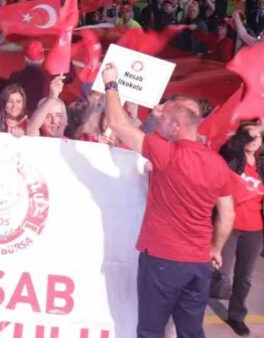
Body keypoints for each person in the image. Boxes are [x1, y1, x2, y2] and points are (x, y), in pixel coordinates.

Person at [100, 63, 236, 338]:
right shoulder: (217, 163)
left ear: (176, 125)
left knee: (151, 330)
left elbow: (117, 123)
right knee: (191, 331)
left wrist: (111, 83)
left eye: (164, 118)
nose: (159, 121)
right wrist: (215, 248)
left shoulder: (167, 154)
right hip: (198, 262)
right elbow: (228, 213)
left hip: (163, 260)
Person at [212, 120, 263, 336]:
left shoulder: (262, 164)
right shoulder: (232, 157)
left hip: (255, 229)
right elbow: (227, 149)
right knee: (219, 271)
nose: (254, 141)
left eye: (258, 137)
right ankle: (192, 305)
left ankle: (236, 316)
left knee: (245, 277)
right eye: (249, 136)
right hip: (230, 226)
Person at [6, 40, 52, 115]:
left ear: (25, 59)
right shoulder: (48, 77)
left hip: (18, 116)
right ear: (42, 59)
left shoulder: (15, 76)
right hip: (39, 118)